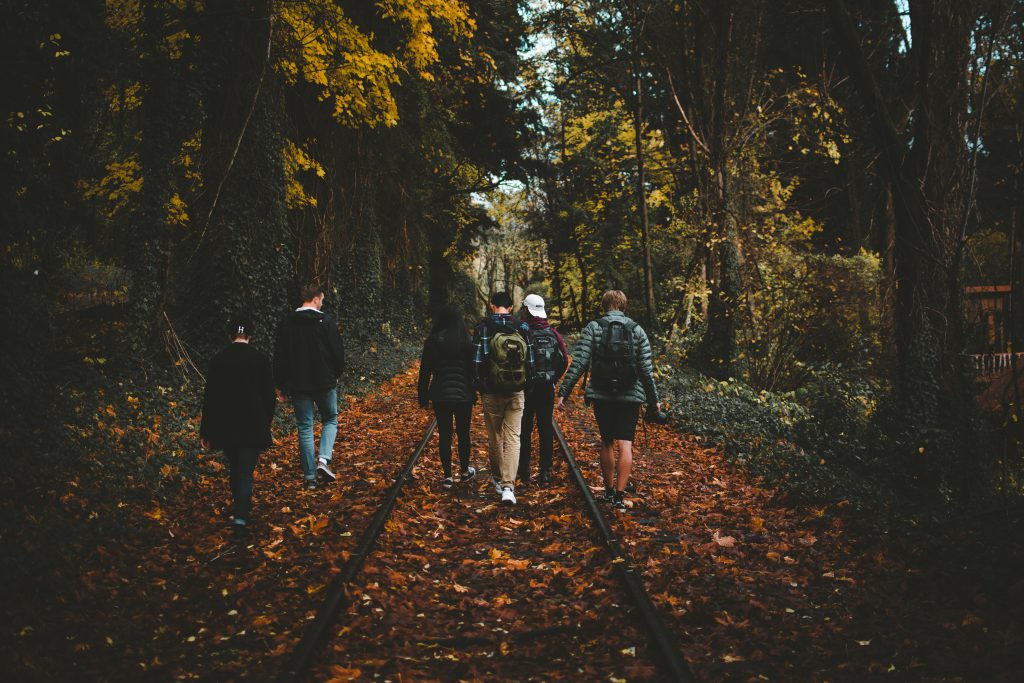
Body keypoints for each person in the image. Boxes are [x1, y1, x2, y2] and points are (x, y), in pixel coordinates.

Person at [556, 290, 661, 509]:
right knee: (625, 443)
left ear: (604, 306)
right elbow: (645, 370)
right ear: (624, 306)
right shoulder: (637, 330)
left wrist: (564, 392)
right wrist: (654, 401)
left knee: (606, 440)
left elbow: (580, 362)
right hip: (631, 395)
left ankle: (609, 489)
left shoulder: (594, 327)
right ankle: (619, 496)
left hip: (602, 393)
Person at [200, 318, 276, 535]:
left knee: (236, 467)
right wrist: (265, 422)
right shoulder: (260, 360)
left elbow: (211, 398)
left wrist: (206, 431)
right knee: (245, 471)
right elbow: (269, 397)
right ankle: (241, 517)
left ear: (229, 335)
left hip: (226, 426)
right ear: (250, 335)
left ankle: (239, 509)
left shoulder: (218, 361)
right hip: (253, 426)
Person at [273, 284, 345, 490]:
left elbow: (280, 356)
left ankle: (310, 477)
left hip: (298, 384)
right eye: (322, 299)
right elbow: (337, 351)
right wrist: (336, 374)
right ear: (316, 298)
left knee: (305, 427)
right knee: (330, 419)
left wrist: (280, 384)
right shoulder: (326, 322)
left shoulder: (287, 323)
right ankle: (323, 460)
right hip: (324, 382)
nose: (323, 303)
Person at [473, 291, 535, 505]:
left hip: (491, 390)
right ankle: (509, 487)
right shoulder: (523, 327)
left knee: (495, 438)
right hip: (516, 390)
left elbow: (477, 361)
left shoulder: (483, 327)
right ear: (511, 307)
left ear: (492, 306)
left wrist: (480, 385)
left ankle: (499, 480)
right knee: (513, 438)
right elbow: (531, 362)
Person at [417, 304, 477, 489]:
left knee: (445, 434)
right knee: (463, 433)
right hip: (464, 395)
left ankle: (448, 476)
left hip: (441, 394)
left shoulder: (433, 341)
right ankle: (465, 471)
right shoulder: (468, 340)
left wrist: (423, 396)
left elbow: (425, 370)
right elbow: (473, 369)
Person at [517, 294, 568, 486]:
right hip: (547, 388)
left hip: (527, 388)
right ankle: (545, 472)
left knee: (525, 429)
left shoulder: (523, 332)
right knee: (545, 429)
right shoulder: (553, 334)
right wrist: (553, 378)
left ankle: (524, 471)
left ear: (526, 311)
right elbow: (564, 359)